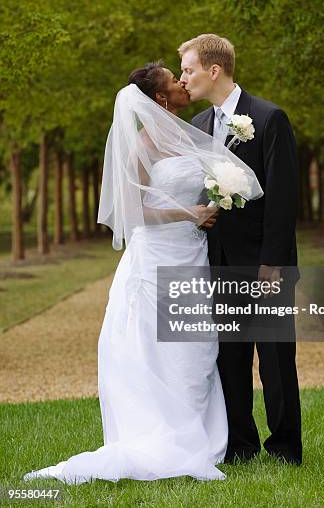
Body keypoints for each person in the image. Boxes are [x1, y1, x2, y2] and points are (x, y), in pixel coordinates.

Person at [23, 62, 262, 484]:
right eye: (175, 80)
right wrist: (189, 212)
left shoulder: (191, 135)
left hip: (192, 255)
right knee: (155, 349)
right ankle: (162, 438)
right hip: (155, 258)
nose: (183, 82)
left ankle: (199, 436)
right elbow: (131, 213)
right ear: (161, 98)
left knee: (196, 347)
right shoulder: (142, 145)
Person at [180, 34, 302, 465]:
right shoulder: (196, 125)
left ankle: (285, 447)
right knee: (229, 361)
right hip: (217, 263)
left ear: (214, 70)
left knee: (275, 363)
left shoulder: (269, 118)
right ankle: (240, 446)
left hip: (265, 264)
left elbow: (284, 198)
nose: (183, 79)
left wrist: (272, 263)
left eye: (189, 70)